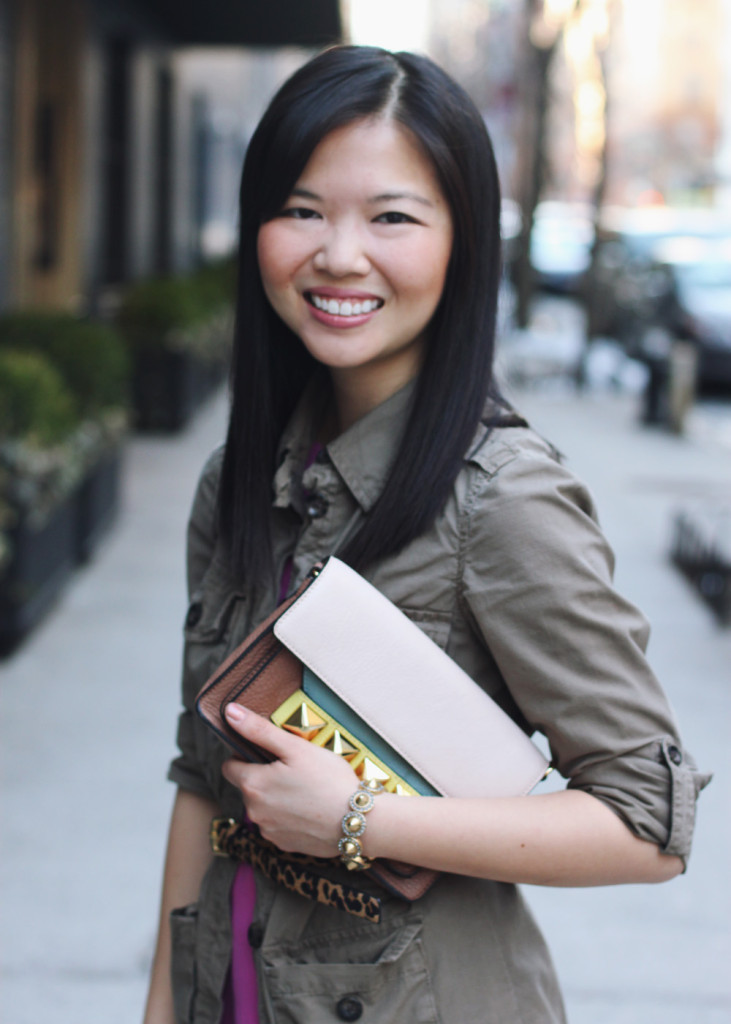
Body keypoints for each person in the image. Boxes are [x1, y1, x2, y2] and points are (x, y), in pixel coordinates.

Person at [143, 45, 708, 1024]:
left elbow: (645, 825)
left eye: (391, 217)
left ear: (462, 243)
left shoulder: (501, 500)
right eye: (301, 209)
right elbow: (202, 783)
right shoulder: (242, 479)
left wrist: (362, 821)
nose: (338, 254)